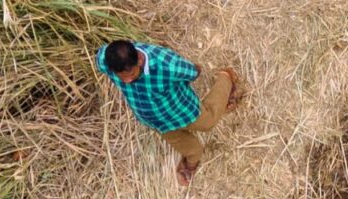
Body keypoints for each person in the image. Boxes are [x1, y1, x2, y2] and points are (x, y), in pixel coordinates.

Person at [96, 40, 243, 187]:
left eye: (132, 74)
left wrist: (187, 77)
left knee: (208, 122)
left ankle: (226, 78)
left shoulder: (165, 64)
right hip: (158, 123)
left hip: (182, 110)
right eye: (121, 77)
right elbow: (99, 57)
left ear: (140, 59)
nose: (127, 81)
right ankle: (191, 162)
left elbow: (193, 72)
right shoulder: (106, 60)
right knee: (191, 149)